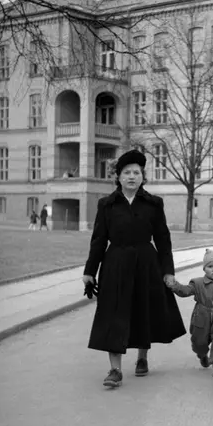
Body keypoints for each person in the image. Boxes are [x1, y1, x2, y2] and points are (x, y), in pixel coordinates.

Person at [82, 149, 186, 388]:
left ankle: (142, 357)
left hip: (146, 264)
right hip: (115, 264)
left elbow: (163, 239)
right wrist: (89, 271)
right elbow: (98, 240)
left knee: (142, 310)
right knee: (113, 314)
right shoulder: (106, 205)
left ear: (142, 177)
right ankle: (115, 369)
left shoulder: (154, 204)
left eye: (136, 173)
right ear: (118, 176)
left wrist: (168, 271)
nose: (131, 176)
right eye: (127, 172)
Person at [167, 249, 213, 378]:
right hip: (201, 316)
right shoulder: (197, 283)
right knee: (199, 342)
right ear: (204, 268)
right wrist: (175, 285)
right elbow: (185, 291)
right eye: (210, 266)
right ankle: (202, 355)